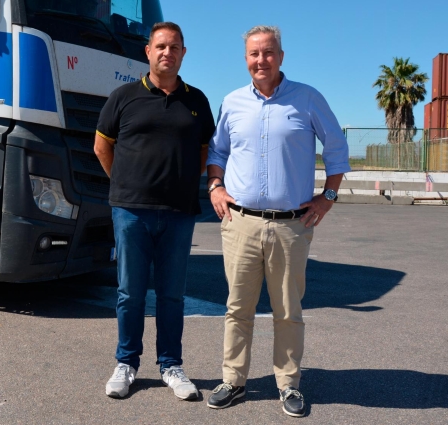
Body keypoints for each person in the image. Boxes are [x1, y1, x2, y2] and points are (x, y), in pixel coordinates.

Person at [205, 25, 350, 417]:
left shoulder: (307, 99)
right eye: (254, 54)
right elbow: (217, 151)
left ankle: (288, 384)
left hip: (291, 225)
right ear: (246, 59)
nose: (260, 61)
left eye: (268, 53)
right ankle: (233, 381)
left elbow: (336, 147)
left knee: (288, 309)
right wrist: (216, 187)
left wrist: (328, 197)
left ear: (281, 57)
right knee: (238, 307)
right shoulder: (232, 102)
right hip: (241, 224)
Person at [94, 22, 215, 400]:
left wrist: (175, 182)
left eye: (175, 47)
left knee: (171, 294)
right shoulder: (124, 96)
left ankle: (171, 366)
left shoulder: (197, 101)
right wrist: (128, 184)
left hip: (178, 212)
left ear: (183, 53)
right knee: (130, 292)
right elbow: (101, 147)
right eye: (161, 46)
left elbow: (204, 153)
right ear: (148, 52)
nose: (167, 52)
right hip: (131, 212)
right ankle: (126, 363)